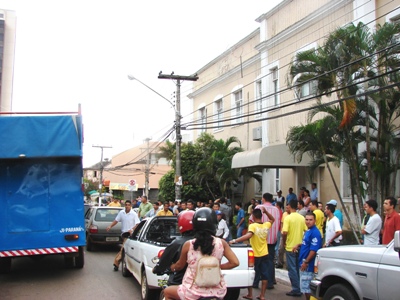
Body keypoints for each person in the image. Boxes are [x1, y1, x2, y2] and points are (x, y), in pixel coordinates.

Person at [163, 208, 239, 300]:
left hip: (191, 292)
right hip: (217, 292)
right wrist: (216, 266)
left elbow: (179, 265)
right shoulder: (222, 243)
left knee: (167, 292)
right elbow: (235, 262)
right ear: (215, 224)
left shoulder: (189, 244)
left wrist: (171, 267)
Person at [230, 207, 275, 300]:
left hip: (255, 254)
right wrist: (266, 212)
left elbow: (248, 235)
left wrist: (235, 240)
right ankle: (262, 295)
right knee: (264, 275)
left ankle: (250, 294)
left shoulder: (253, 226)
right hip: (265, 253)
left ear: (253, 216)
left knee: (251, 274)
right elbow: (272, 219)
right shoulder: (266, 225)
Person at [152, 210, 195, 285]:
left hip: (179, 281)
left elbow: (165, 261)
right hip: (203, 283)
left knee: (167, 292)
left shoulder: (177, 243)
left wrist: (157, 269)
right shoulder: (208, 242)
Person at [250, 192, 281, 290]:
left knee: (258, 262)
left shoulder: (259, 207)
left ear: (263, 199)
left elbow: (251, 220)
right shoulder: (276, 209)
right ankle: (270, 282)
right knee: (270, 261)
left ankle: (255, 282)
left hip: (260, 240)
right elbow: (277, 222)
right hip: (272, 239)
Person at [292, 212, 322, 300]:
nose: (308, 222)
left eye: (310, 220)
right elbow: (307, 244)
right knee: (305, 287)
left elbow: (313, 250)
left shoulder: (315, 233)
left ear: (315, 221)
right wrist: (299, 245)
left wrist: (306, 262)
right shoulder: (308, 231)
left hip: (308, 265)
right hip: (303, 261)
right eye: (307, 219)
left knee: (308, 288)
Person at [106, 199, 140, 271]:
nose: (127, 206)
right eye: (126, 205)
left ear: (131, 206)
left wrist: (132, 229)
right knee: (125, 249)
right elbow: (116, 220)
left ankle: (116, 262)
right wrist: (110, 226)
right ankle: (125, 264)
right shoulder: (121, 213)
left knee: (123, 249)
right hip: (123, 234)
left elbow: (137, 223)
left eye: (128, 205)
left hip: (129, 235)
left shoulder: (133, 214)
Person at [282, 200, 307, 297]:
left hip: (290, 247)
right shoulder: (301, 218)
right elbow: (306, 230)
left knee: (292, 268)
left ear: (289, 206)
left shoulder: (288, 218)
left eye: (287, 205)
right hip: (300, 246)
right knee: (297, 268)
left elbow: (284, 232)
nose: (286, 207)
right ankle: (299, 287)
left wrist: (284, 242)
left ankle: (296, 289)